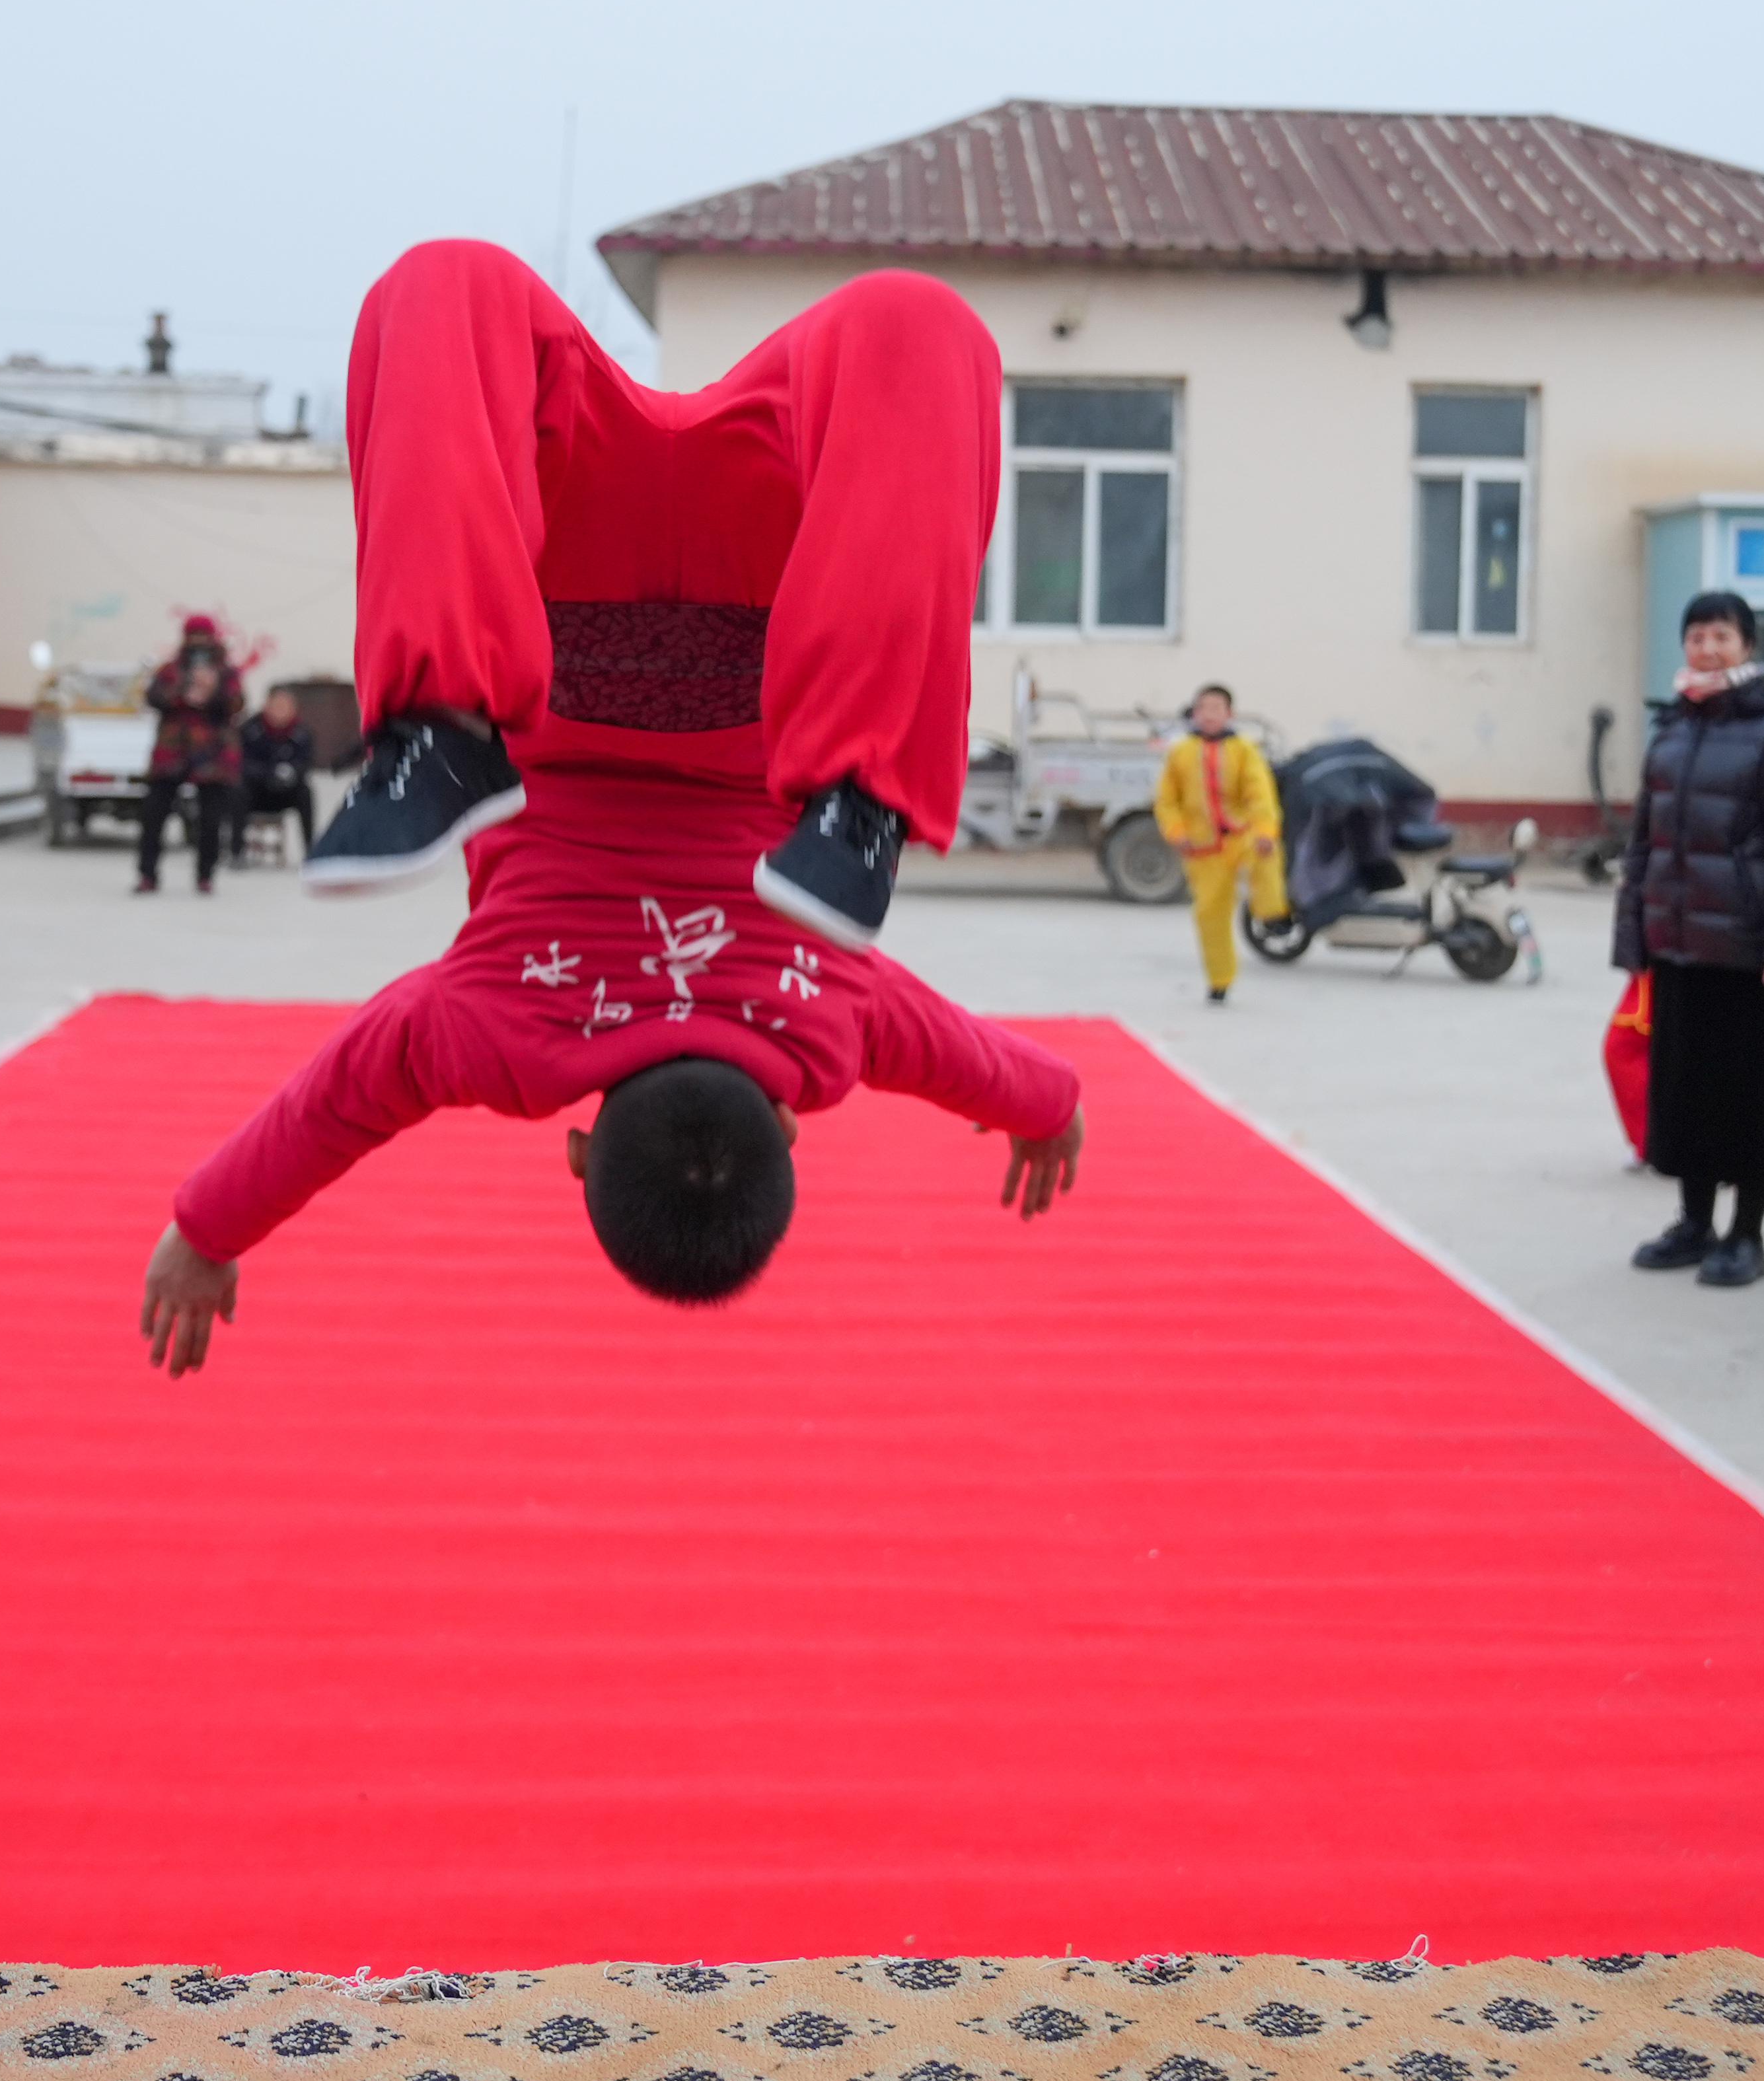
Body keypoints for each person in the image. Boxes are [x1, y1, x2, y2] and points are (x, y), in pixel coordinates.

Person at [138, 242, 1083, 1347]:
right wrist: (202, 1234)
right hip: (635, 588)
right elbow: (332, 1105)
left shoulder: (825, 1024)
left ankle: (457, 733)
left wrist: (1047, 1107)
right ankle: (843, 786)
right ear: (581, 1150)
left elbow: (974, 1058)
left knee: (916, 326)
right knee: (444, 289)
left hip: (641, 582)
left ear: (785, 1126)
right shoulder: (492, 1035)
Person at [1615, 592, 1764, 1286]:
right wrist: (1635, 933)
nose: (1707, 648)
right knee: (1682, 1088)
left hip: (1747, 951)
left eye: (1721, 635)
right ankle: (1693, 1221)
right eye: (1696, 635)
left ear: (1747, 646)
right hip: (1679, 941)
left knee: (1748, 1094)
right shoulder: (1673, 730)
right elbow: (1644, 841)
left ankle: (1747, 1233)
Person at [1151, 683, 1287, 1003]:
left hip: (1241, 835)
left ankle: (1272, 914)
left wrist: (1265, 830)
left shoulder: (1244, 750)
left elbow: (1260, 794)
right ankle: (1220, 980)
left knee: (1266, 852)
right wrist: (1177, 832)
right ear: (1195, 714)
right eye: (1204, 709)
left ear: (1230, 715)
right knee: (1210, 914)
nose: (1210, 716)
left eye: (1217, 709)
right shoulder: (1180, 753)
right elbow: (1167, 801)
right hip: (1203, 847)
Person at [136, 616, 247, 895]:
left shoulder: (226, 672)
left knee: (211, 820)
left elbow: (237, 705)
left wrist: (212, 691)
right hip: (171, 753)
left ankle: (205, 876)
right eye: (193, 635)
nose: (198, 641)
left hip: (213, 756)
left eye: (203, 635)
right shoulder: (170, 670)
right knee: (153, 815)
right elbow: (153, 698)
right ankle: (147, 874)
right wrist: (182, 692)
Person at [240, 690, 319, 858]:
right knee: (238, 792)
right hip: (258, 790)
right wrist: (268, 774)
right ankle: (237, 850)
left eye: (284, 708)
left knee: (306, 793)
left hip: (286, 792)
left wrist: (291, 773)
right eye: (276, 707)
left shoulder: (302, 734)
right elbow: (244, 763)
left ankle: (311, 849)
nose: (280, 712)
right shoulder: (251, 730)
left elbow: (306, 763)